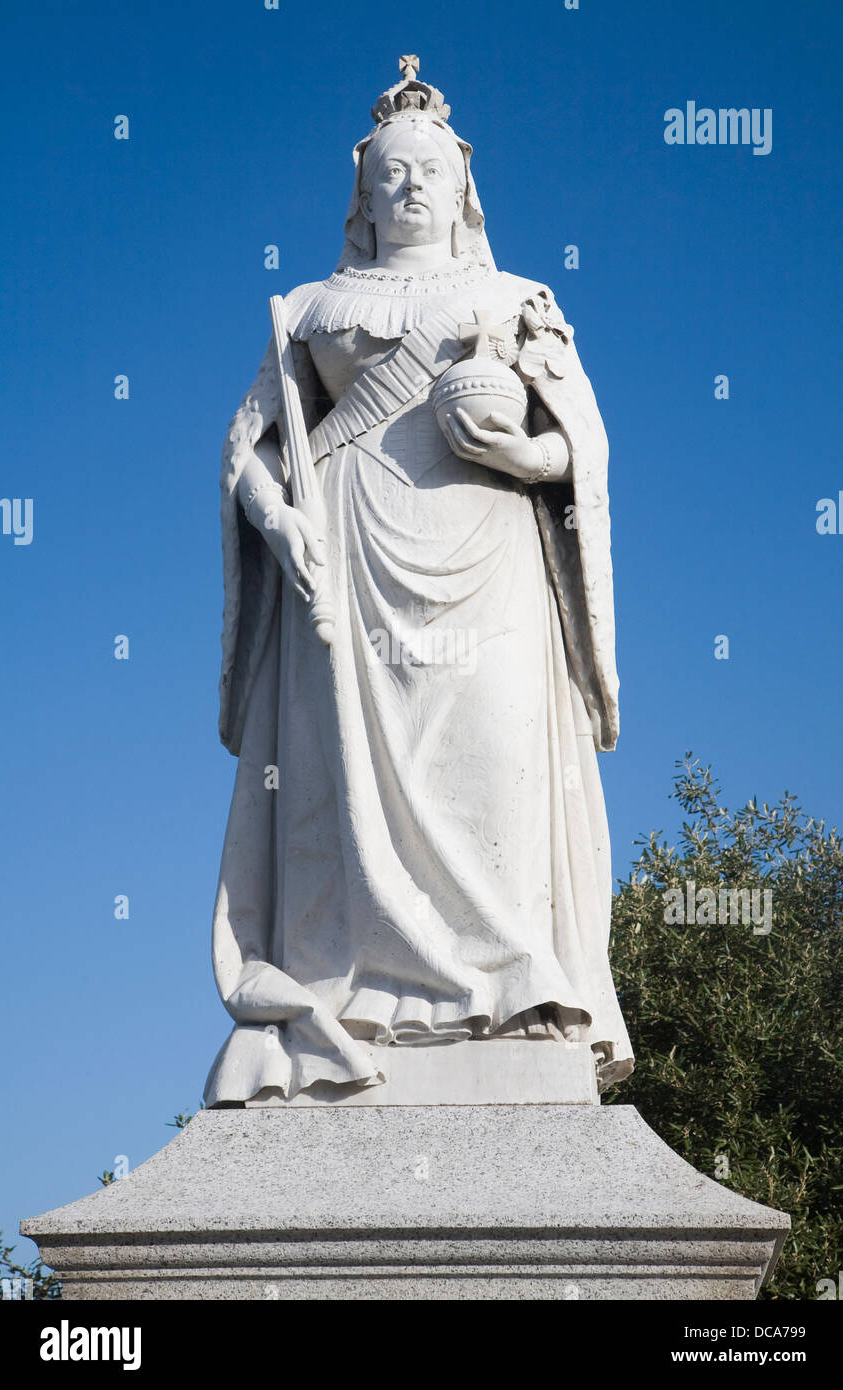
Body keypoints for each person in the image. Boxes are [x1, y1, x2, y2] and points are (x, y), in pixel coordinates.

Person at [205, 60, 634, 1105]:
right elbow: (244, 447)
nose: (409, 187)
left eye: (428, 171)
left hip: (486, 563)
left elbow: (579, 443)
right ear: (363, 193)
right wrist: (280, 521)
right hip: (342, 557)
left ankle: (518, 992)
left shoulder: (513, 298)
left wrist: (525, 457)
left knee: (496, 767)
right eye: (391, 171)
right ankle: (339, 995)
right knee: (332, 784)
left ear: (458, 189)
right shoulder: (308, 309)